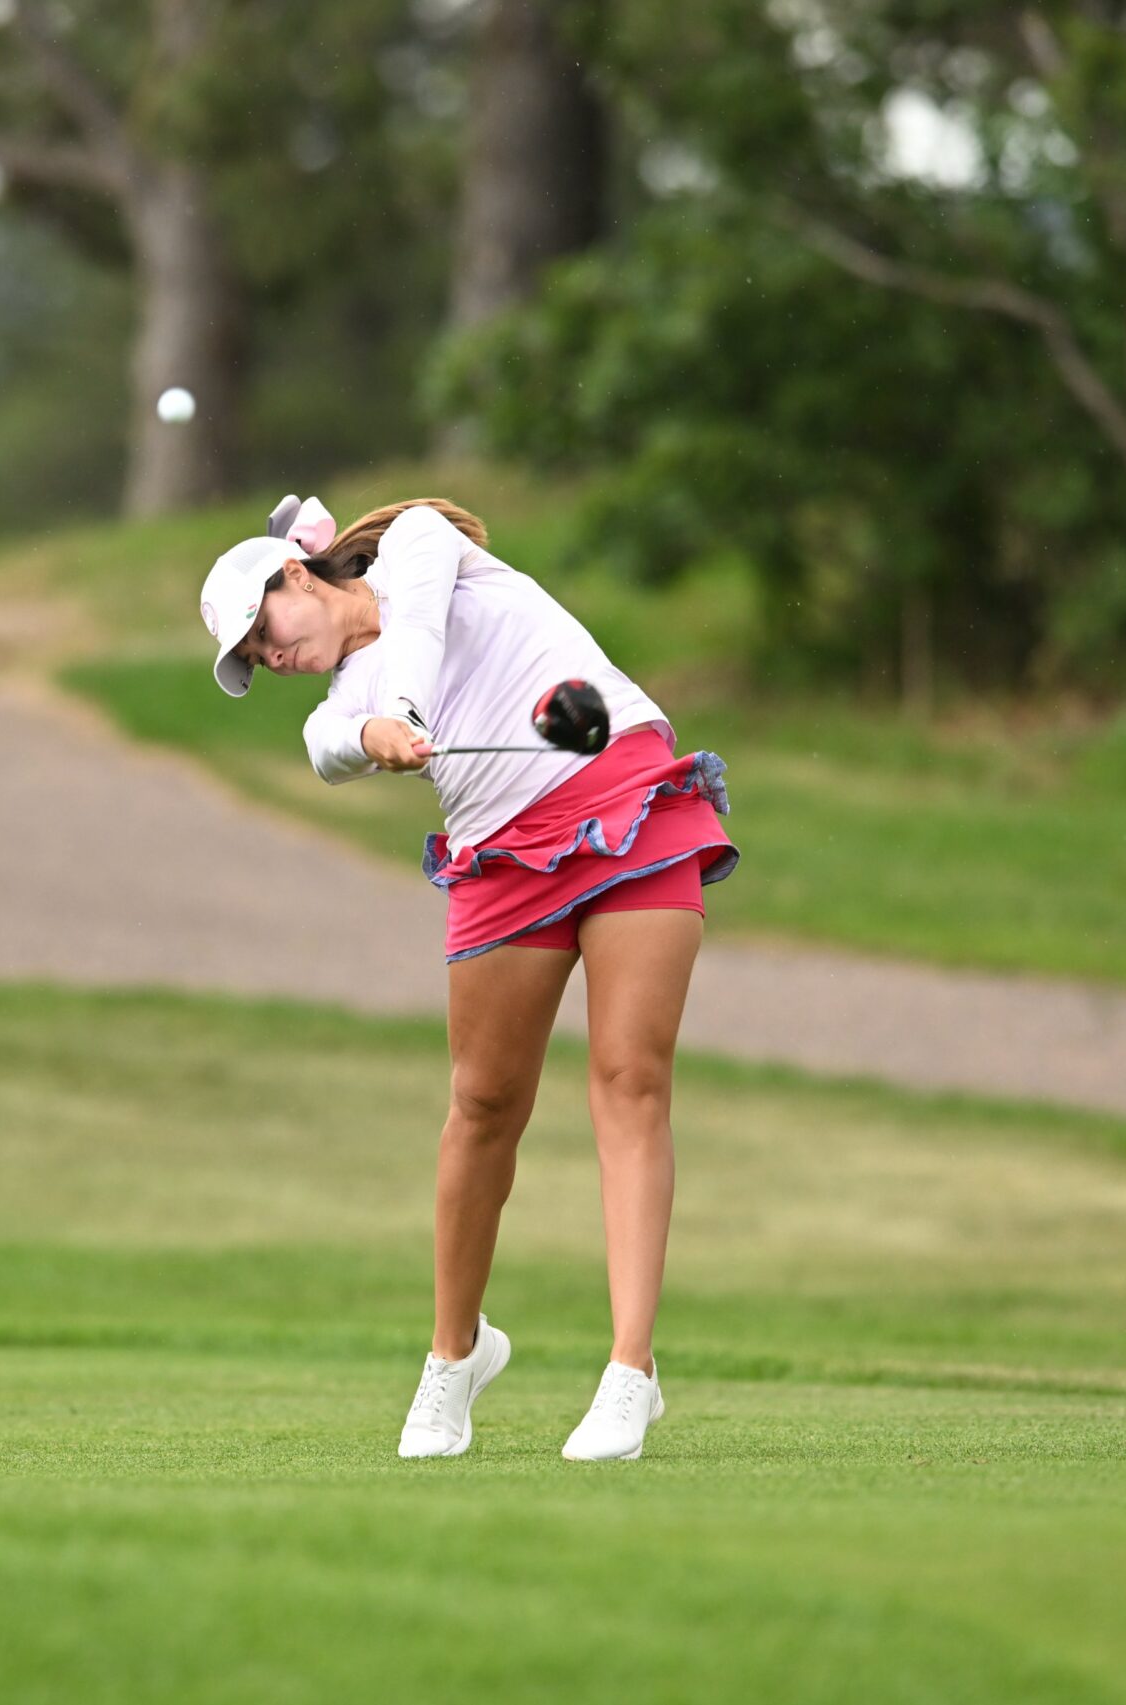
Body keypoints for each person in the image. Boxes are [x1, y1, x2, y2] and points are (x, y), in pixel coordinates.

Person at [196, 492, 737, 1462]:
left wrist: (401, 708)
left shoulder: (417, 545)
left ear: (294, 574)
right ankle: (455, 1357)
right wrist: (371, 737)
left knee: (630, 1079)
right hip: (502, 857)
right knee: (484, 1104)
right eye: (252, 661)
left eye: (260, 631)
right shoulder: (340, 703)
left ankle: (629, 1373)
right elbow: (324, 749)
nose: (267, 658)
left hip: (627, 795)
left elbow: (422, 626)